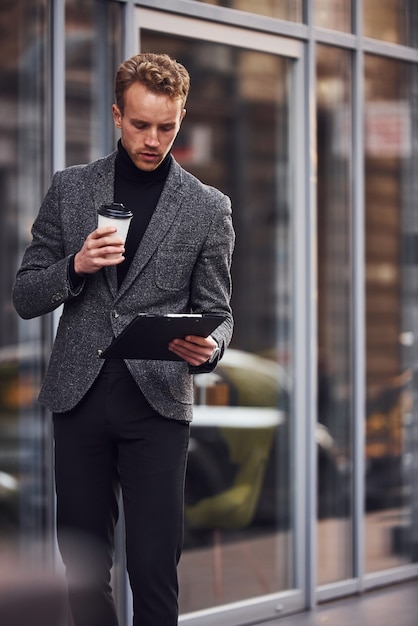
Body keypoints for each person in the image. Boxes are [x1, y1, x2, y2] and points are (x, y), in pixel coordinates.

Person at [12, 52, 234, 626]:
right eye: (140, 125)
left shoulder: (209, 209)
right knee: (82, 567)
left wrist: (210, 349)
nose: (153, 139)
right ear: (117, 115)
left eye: (167, 126)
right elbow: (26, 295)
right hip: (78, 399)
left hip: (157, 402)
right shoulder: (69, 190)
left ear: (181, 118)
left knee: (155, 568)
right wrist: (77, 265)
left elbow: (218, 311)